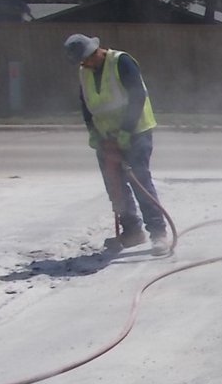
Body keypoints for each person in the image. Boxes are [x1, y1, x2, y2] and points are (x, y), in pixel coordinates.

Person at [63, 33, 170, 255]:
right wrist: (93, 131)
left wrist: (126, 131)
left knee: (140, 180)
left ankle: (158, 233)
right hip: (106, 136)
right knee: (115, 184)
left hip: (135, 132)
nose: (85, 64)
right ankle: (132, 231)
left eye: (87, 58)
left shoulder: (121, 62)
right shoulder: (85, 71)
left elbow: (137, 96)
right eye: (82, 61)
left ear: (96, 51)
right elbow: (85, 104)